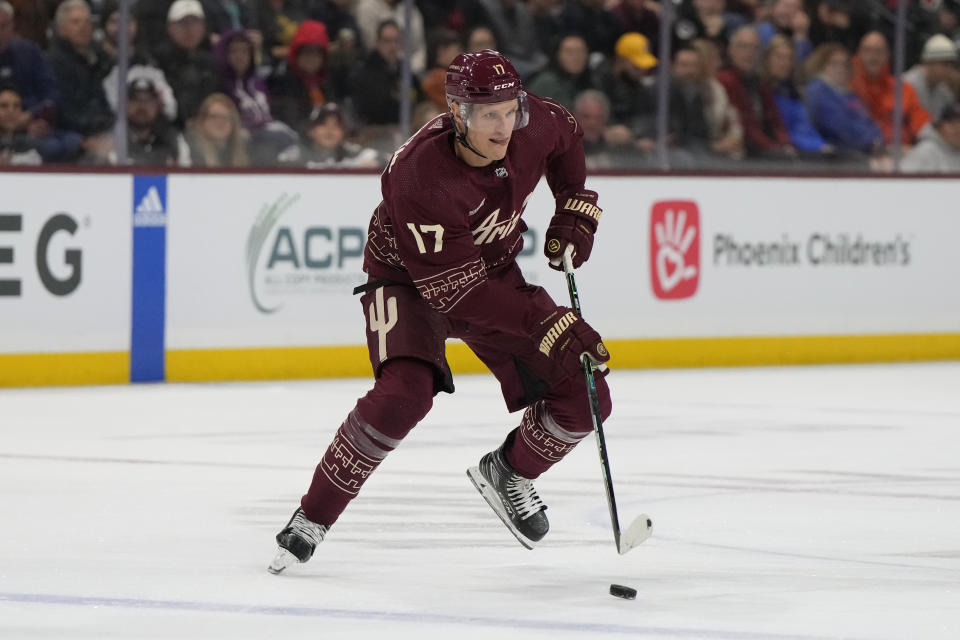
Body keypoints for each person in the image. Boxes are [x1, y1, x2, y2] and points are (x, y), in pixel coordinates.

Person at [268, 50, 611, 573]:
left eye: (510, 109)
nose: (504, 126)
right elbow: (455, 295)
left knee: (586, 397)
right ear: (456, 113)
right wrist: (545, 324)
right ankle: (312, 517)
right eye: (488, 114)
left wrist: (572, 202)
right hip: (407, 281)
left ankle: (510, 472)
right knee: (404, 395)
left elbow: (566, 133)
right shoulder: (419, 177)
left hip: (490, 272)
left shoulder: (531, 122)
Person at [717, 25, 795, 158]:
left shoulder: (759, 83)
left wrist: (786, 144)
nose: (749, 53)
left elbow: (775, 120)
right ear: (731, 50)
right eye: (743, 46)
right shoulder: (725, 80)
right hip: (738, 155)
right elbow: (745, 125)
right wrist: (774, 149)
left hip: (763, 152)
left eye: (755, 48)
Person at [851, 31, 930, 148]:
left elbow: (922, 123)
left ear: (887, 55)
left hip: (900, 155)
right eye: (868, 51)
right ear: (859, 54)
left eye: (879, 51)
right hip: (857, 154)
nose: (873, 57)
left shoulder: (903, 89)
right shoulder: (847, 87)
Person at [803, 43, 884, 156]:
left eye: (844, 65)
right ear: (821, 65)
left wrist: (876, 139)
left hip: (858, 152)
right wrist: (869, 142)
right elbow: (837, 126)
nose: (841, 68)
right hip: (833, 157)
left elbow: (868, 121)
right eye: (834, 64)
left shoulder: (850, 94)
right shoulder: (817, 91)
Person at [177, 91, 250, 166]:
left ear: (233, 123)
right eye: (213, 116)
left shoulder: (247, 150)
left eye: (225, 117)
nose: (219, 122)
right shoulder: (189, 149)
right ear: (202, 120)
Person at [904, 34, 958, 122]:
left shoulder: (944, 92)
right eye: (944, 64)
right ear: (929, 62)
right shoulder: (907, 84)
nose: (949, 69)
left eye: (951, 65)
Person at [901, 101, 960, 172]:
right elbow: (903, 181)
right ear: (938, 127)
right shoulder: (925, 151)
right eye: (952, 125)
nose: (957, 130)